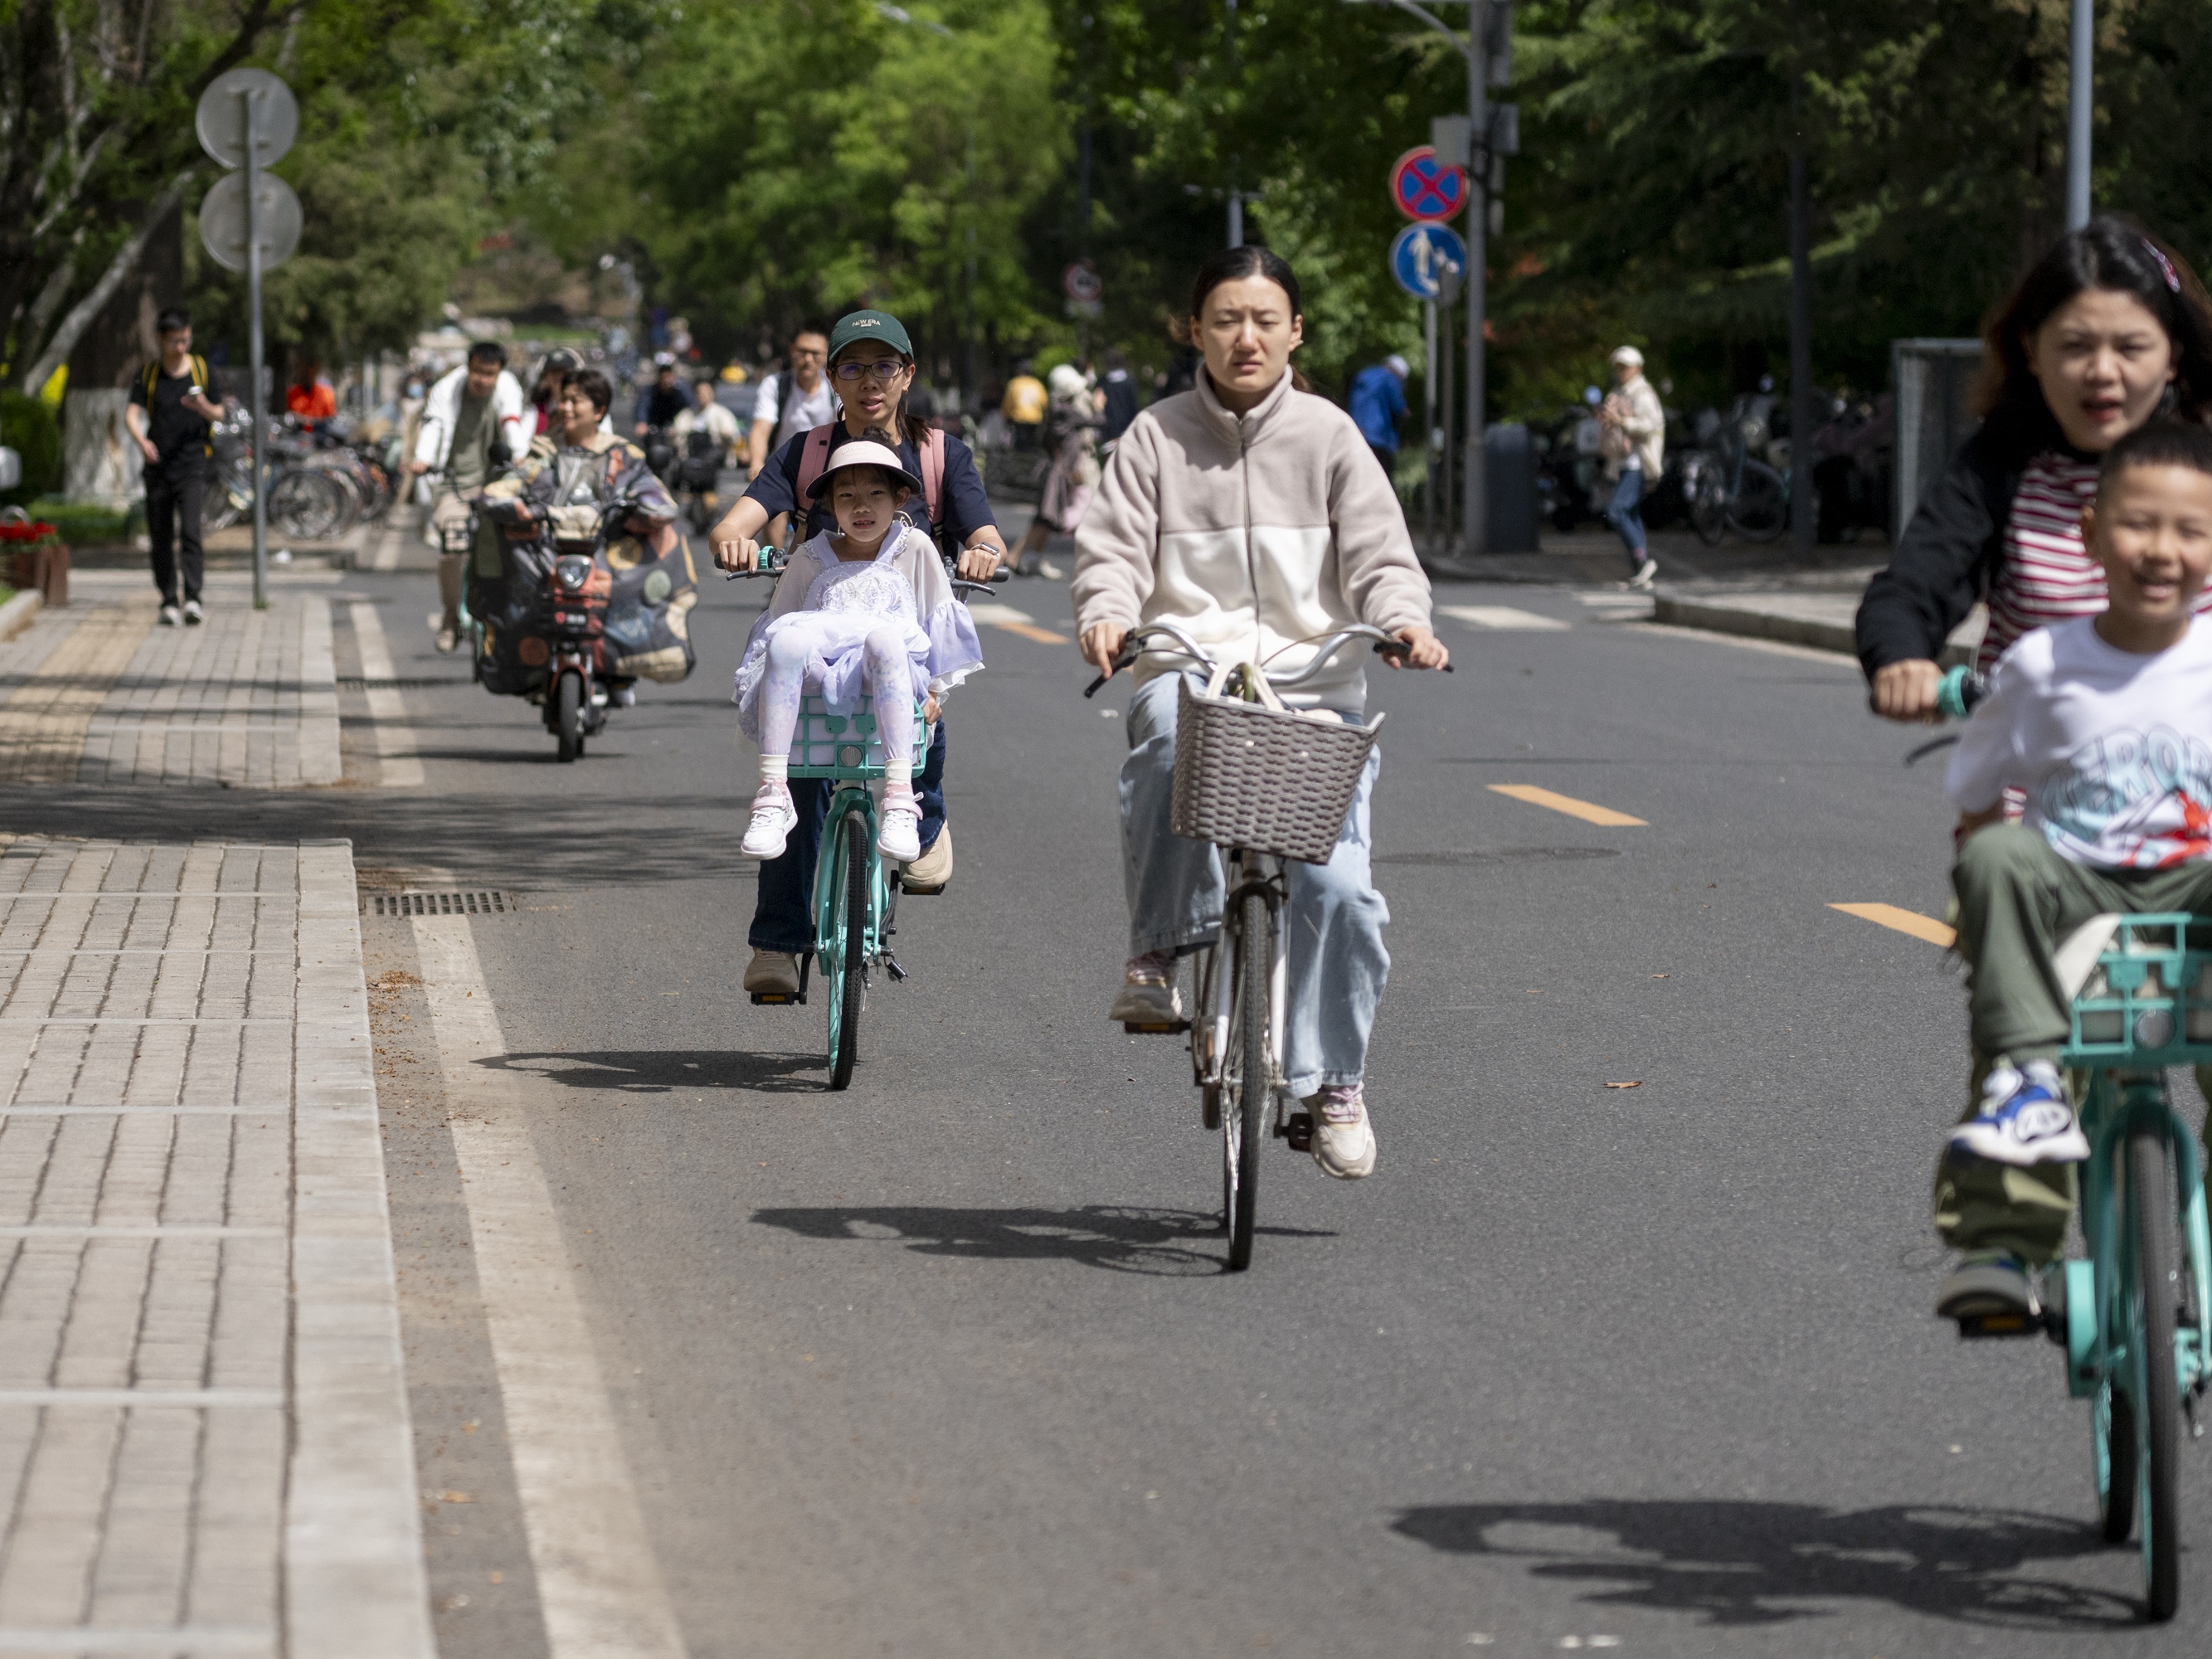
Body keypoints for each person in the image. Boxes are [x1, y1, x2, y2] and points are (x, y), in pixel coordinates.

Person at [1072, 245, 1450, 1180]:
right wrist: (1109, 613)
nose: (1247, 336)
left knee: (1342, 892)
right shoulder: (1154, 437)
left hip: (1312, 686)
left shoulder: (1329, 437)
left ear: (1295, 332)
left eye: (1265, 319)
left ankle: (1336, 1083)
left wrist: (1404, 620)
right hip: (1190, 667)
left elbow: (1380, 555)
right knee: (1163, 734)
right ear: (1194, 331)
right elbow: (1113, 550)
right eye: (1227, 319)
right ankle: (1157, 951)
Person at [1933, 419, 2212, 1325]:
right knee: (2000, 854)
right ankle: (2014, 1194)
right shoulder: (2042, 665)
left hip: (2195, 891)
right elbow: (1977, 800)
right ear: (2090, 531)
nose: (2162, 550)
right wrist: (1987, 903)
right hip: (2074, 895)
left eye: (2191, 530)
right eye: (2138, 524)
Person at [709, 309, 1009, 993]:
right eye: (852, 367)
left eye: (883, 366)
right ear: (831, 378)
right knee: (800, 778)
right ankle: (778, 945)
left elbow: (985, 532)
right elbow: (739, 518)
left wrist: (984, 553)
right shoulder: (806, 452)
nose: (868, 381)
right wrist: (731, 537)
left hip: (902, 641)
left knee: (921, 713)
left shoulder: (939, 454)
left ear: (907, 375)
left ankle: (922, 817)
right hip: (819, 647)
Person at [1859, 216, 2212, 712]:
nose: (2103, 372)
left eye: (2131, 348)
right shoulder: (2002, 465)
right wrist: (1901, 660)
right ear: (2032, 350)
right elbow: (1914, 586)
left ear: (2172, 355)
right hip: (2038, 777)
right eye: (2076, 346)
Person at [732, 441, 985, 864]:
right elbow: (775, 627)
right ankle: (773, 794)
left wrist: (936, 692)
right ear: (830, 504)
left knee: (885, 640)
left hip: (889, 676)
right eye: (846, 496)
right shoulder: (810, 556)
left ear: (899, 498)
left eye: (876, 494)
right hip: (819, 683)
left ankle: (900, 798)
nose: (861, 507)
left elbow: (937, 623)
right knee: (787, 640)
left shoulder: (916, 548)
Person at [410, 341, 527, 653]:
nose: (483, 380)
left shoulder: (508, 388)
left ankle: (508, 615)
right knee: (452, 546)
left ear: (499, 373)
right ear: (468, 367)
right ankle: (450, 618)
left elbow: (512, 422)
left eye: (490, 373)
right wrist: (422, 458)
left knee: (516, 548)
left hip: (497, 484)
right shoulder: (448, 389)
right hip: (454, 483)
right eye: (478, 371)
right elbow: (432, 426)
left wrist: (519, 457)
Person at [124, 308, 221, 627]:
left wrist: (201, 405)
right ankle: (168, 599)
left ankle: (193, 598)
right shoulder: (149, 374)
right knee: (160, 536)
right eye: (174, 342)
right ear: (160, 339)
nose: (180, 347)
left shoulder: (202, 371)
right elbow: (131, 414)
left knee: (191, 532)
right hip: (158, 467)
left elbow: (220, 413)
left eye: (185, 340)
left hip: (192, 464)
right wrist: (142, 441)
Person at [1009, 363, 1103, 575]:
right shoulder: (1067, 412)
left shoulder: (1056, 410)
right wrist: (1098, 405)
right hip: (1059, 473)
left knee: (1046, 517)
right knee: (1048, 516)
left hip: (1056, 469)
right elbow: (1099, 421)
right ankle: (1020, 556)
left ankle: (1025, 556)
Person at [1599, 346, 1665, 587]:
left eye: (1625, 367)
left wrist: (1621, 421)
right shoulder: (1619, 392)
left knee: (1617, 512)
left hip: (1639, 463)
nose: (1621, 371)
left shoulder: (1643, 394)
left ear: (1638, 368)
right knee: (1632, 514)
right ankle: (1641, 568)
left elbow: (1651, 424)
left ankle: (1643, 563)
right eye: (1618, 366)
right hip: (1623, 463)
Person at [747, 326, 835, 480]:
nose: (808, 359)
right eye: (802, 352)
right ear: (792, 350)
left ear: (826, 355)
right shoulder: (775, 385)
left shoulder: (835, 386)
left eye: (815, 353)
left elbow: (848, 422)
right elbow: (761, 428)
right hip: (783, 472)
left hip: (825, 474)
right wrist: (756, 463)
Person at [1348, 353, 1411, 482]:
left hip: (1357, 433)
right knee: (1381, 479)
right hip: (1380, 438)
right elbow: (1398, 407)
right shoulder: (1391, 379)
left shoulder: (1363, 375)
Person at [634, 353, 688, 437]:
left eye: (668, 375)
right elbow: (642, 406)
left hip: (674, 429)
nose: (666, 380)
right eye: (663, 376)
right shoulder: (650, 391)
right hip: (654, 429)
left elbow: (689, 404)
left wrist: (677, 385)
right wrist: (642, 422)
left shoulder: (680, 389)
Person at [1002, 359, 1048, 450]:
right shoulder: (1037, 384)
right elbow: (1044, 402)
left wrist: (1005, 416)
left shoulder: (1014, 383)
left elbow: (1008, 402)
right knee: (1032, 443)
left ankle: (1022, 461)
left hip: (1019, 418)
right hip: (1035, 418)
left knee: (1021, 444)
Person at [1100, 348, 1140, 445]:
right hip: (1128, 424)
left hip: (1109, 427)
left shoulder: (1103, 382)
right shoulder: (1129, 381)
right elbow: (1133, 405)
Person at [284, 359, 337, 424]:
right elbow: (288, 415)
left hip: (319, 432)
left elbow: (330, 418)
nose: (308, 376)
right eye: (305, 373)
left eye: (311, 373)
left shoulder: (325, 393)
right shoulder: (292, 392)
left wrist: (313, 422)